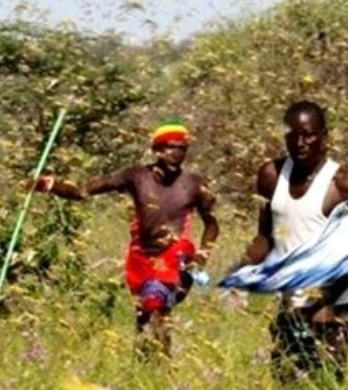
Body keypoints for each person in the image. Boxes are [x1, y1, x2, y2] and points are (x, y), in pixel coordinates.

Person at [31, 120, 219, 356]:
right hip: (141, 257)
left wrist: (201, 257)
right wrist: (49, 185)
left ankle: (160, 366)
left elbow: (211, 224)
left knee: (158, 306)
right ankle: (146, 368)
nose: (177, 153)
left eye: (183, 148)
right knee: (144, 315)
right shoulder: (136, 176)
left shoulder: (193, 184)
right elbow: (82, 191)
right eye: (171, 147)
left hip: (175, 256)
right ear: (158, 149)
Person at [238, 100, 348, 383]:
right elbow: (264, 237)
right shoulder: (270, 176)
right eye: (292, 135)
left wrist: (326, 299)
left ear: (325, 136)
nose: (301, 142)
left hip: (331, 314)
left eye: (309, 134)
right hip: (289, 311)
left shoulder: (343, 185)